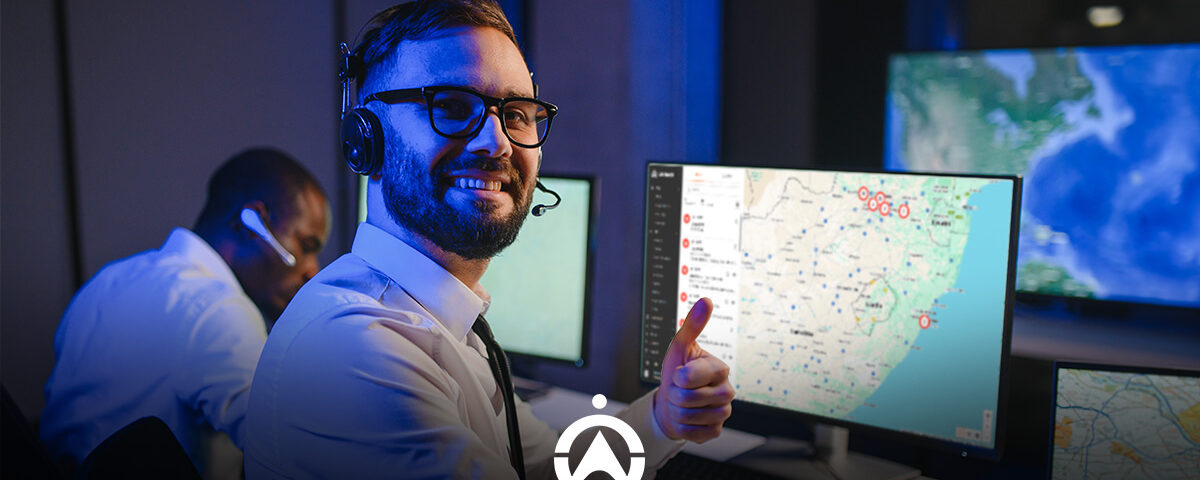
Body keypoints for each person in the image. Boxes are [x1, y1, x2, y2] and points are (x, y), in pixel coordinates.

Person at [243, 1, 734, 478]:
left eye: (517, 113)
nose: (496, 141)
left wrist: (661, 418)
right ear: (367, 136)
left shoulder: (448, 324)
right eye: (453, 106)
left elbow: (544, 467)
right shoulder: (349, 350)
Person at [40, 148, 331, 478]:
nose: (312, 271)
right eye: (306, 247)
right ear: (251, 223)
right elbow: (291, 457)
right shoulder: (218, 310)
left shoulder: (107, 280)